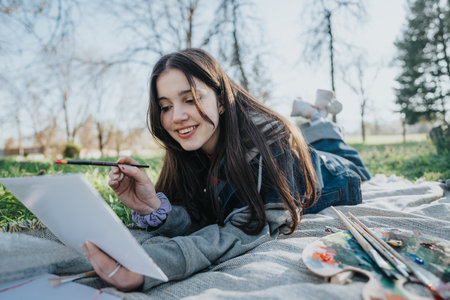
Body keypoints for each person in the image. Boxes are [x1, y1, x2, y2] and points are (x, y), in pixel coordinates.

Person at [81, 48, 371, 292]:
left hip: (335, 172)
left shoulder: (272, 148)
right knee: (313, 137)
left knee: (333, 145)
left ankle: (320, 118)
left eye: (191, 99)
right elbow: (203, 215)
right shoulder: (189, 150)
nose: (177, 117)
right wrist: (154, 207)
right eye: (165, 106)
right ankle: (316, 120)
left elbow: (246, 229)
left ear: (221, 101)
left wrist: (153, 262)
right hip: (290, 153)